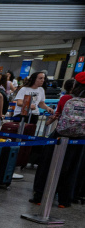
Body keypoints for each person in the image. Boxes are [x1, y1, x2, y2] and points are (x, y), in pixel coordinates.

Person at [32, 72, 85, 207]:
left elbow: (58, 114)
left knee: (48, 164)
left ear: (75, 84)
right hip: (80, 140)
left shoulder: (66, 98)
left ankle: (39, 196)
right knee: (73, 168)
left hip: (61, 136)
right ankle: (64, 200)